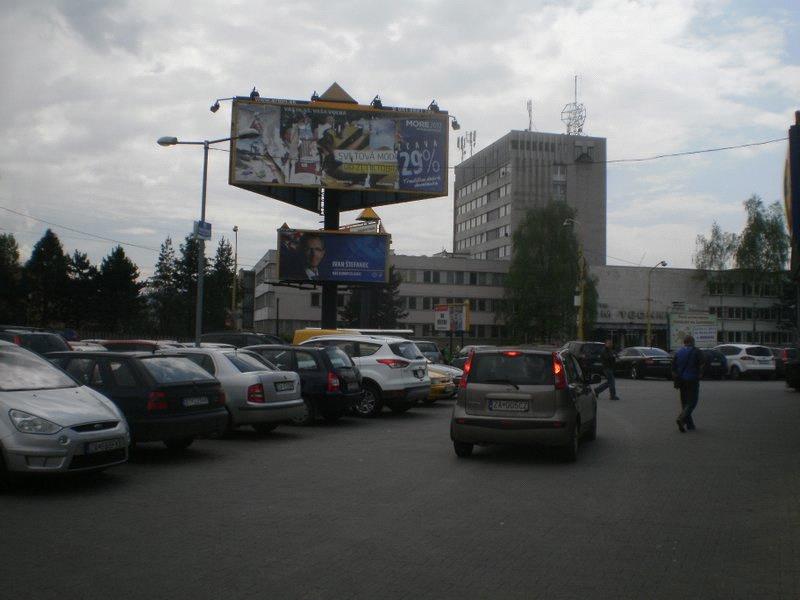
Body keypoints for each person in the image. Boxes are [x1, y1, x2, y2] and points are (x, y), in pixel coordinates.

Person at [672, 334, 704, 433]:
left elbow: (673, 368)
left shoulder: (678, 352)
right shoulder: (696, 351)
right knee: (692, 402)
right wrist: (700, 375)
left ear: (684, 342)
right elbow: (702, 364)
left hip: (681, 380)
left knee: (685, 402)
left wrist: (676, 379)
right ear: (692, 342)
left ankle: (690, 425)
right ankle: (681, 418)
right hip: (692, 379)